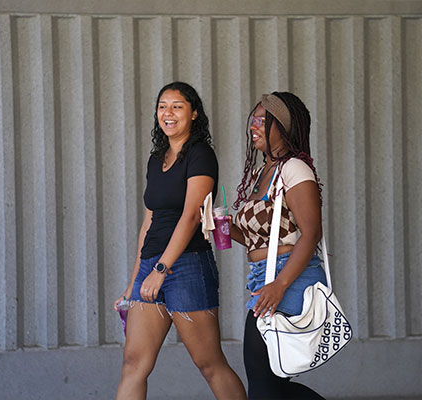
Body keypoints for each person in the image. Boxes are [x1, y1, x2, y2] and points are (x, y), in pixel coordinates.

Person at [114, 82, 246, 400]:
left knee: (209, 363)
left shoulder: (200, 155)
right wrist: (135, 281)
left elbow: (190, 217)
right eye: (162, 105)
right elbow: (148, 223)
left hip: (186, 266)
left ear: (194, 113)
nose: (168, 113)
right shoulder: (156, 159)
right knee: (134, 363)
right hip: (151, 266)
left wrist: (162, 269)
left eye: (177, 106)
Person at [230, 92, 327, 400]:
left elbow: (311, 234)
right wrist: (220, 227)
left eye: (262, 121)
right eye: (253, 120)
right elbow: (258, 241)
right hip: (265, 277)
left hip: (289, 280)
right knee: (270, 384)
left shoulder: (294, 169)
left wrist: (280, 285)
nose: (253, 127)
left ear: (283, 128)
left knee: (263, 386)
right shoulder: (264, 173)